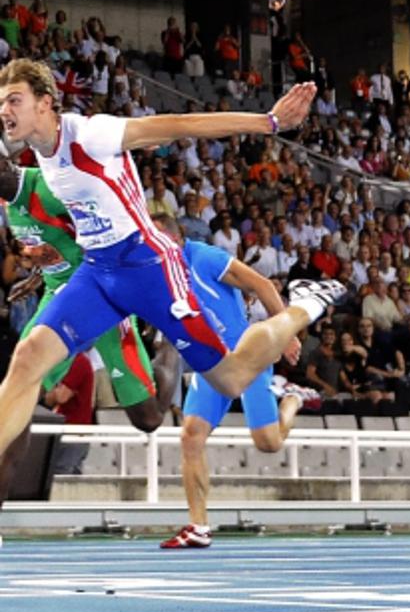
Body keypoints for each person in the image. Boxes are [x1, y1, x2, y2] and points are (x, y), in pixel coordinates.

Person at [0, 61, 345, 468]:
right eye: (1, 102)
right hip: (98, 272)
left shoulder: (92, 134)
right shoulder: (31, 145)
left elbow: (181, 124)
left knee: (231, 377)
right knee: (27, 359)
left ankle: (304, 305)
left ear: (45, 104)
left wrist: (269, 121)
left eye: (14, 100)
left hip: (148, 266)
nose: (4, 110)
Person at [151, 215, 304, 549]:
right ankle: (198, 526)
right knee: (191, 436)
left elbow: (262, 285)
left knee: (268, 444)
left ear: (178, 239)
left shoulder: (206, 257)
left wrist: (286, 332)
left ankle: (291, 400)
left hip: (249, 356)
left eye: (158, 237)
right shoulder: (156, 273)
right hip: (211, 364)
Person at [0, 158, 170, 433]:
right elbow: (54, 243)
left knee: (147, 419)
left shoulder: (50, 190)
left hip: (100, 295)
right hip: (58, 295)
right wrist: (37, 275)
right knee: (21, 384)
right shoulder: (8, 205)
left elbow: (109, 232)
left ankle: (169, 347)